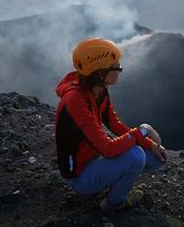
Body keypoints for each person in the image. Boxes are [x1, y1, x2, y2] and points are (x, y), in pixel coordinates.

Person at [54, 37, 167, 214]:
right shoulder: (75, 101)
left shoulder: (99, 91)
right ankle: (114, 203)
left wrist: (150, 144)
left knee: (154, 158)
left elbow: (115, 125)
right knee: (136, 156)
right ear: (99, 72)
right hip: (80, 176)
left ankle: (111, 180)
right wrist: (143, 130)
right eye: (116, 67)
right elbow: (107, 149)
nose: (120, 70)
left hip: (94, 160)